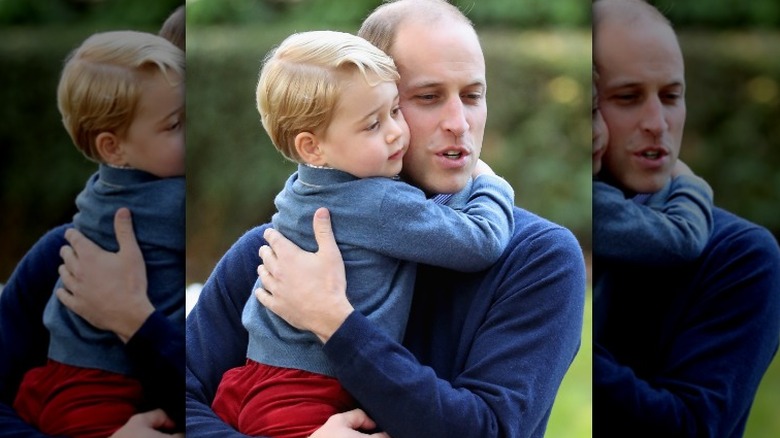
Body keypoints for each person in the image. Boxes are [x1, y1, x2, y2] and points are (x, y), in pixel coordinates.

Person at [186, 0, 586, 437]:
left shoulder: (538, 258)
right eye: (427, 97)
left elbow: (489, 429)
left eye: (472, 95)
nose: (459, 122)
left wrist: (334, 322)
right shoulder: (280, 257)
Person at [592, 0, 780, 436]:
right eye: (627, 97)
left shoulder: (740, 256)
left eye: (671, 96)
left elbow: (691, 427)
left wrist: (565, 345)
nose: (657, 123)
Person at [9, 30, 185, 438]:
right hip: (99, 389)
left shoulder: (102, 188)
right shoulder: (172, 201)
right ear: (113, 148)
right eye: (176, 124)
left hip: (58, 376)